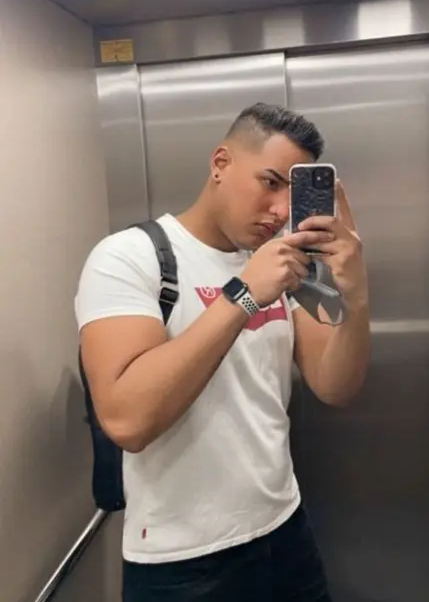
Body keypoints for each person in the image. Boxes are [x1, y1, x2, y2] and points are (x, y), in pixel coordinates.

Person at [75, 102, 370, 601]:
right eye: (270, 182)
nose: (280, 211)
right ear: (220, 163)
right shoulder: (129, 257)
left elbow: (335, 386)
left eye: (293, 193)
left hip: (285, 532)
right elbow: (128, 421)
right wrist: (244, 294)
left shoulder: (282, 265)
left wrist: (356, 296)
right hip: (183, 562)